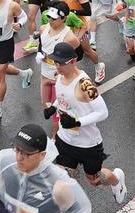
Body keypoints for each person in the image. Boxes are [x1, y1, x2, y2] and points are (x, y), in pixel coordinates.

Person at [48, 42, 128, 202]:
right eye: (55, 62)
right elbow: (63, 97)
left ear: (73, 61)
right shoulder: (59, 77)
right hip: (65, 139)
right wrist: (54, 107)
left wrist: (77, 122)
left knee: (94, 180)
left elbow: (102, 112)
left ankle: (116, 179)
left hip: (88, 144)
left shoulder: (85, 84)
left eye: (61, 63)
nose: (58, 67)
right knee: (61, 177)